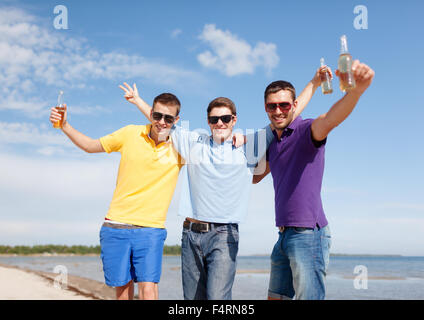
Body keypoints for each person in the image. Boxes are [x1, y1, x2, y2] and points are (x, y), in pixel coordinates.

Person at [119, 66, 329, 300]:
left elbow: (287, 110)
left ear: (234, 120)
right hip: (191, 233)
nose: (220, 123)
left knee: (218, 300)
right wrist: (138, 101)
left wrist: (315, 82)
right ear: (207, 121)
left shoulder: (250, 144)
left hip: (224, 234)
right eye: (214, 119)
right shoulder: (193, 141)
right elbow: (162, 121)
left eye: (225, 118)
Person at [253, 60, 375, 300]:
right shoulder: (273, 145)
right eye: (272, 106)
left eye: (284, 105)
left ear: (294, 105)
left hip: (309, 234)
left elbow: (330, 118)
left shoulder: (306, 131)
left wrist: (356, 91)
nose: (278, 111)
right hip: (283, 234)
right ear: (266, 108)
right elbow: (254, 177)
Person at [49, 93, 184, 300]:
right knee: (122, 291)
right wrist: (65, 125)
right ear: (151, 114)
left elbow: (216, 148)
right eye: (157, 116)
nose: (162, 122)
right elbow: (90, 146)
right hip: (116, 226)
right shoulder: (130, 133)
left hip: (151, 229)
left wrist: (242, 141)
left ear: (176, 121)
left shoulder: (181, 147)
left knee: (149, 289)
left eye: (169, 118)